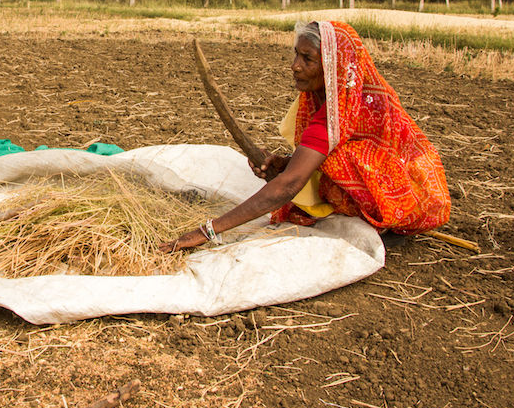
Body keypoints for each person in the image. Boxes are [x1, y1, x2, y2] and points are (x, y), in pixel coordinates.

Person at [162, 20, 450, 252]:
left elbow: (288, 187)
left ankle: (383, 222)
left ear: (333, 66)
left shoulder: (337, 112)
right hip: (404, 190)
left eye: (307, 58)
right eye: (296, 54)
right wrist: (287, 163)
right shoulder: (331, 99)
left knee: (346, 159)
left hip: (408, 200)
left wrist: (206, 231)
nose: (295, 65)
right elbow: (305, 163)